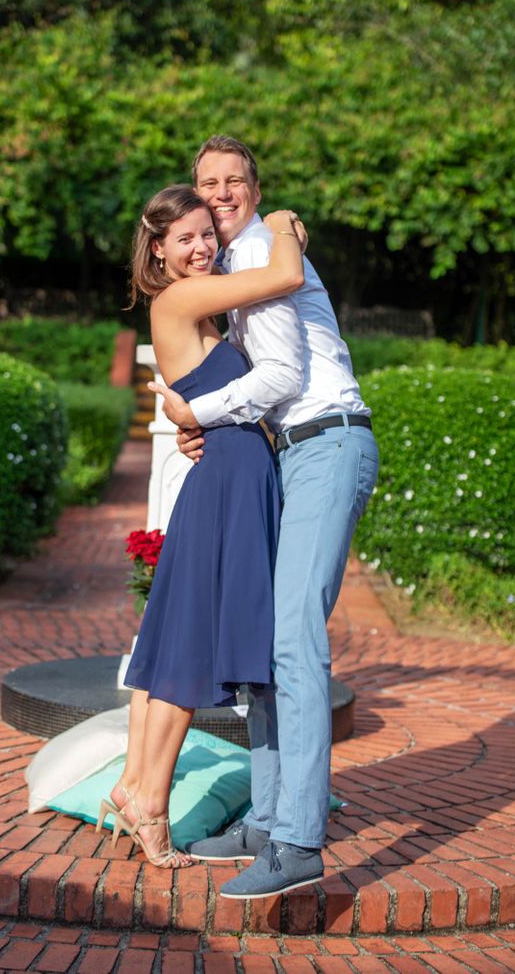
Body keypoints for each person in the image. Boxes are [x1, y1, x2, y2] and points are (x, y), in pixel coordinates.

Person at [149, 136, 379, 898]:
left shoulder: (262, 256)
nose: (220, 193)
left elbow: (281, 375)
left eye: (233, 181)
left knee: (292, 646)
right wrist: (203, 425)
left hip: (325, 443)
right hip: (291, 454)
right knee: (267, 653)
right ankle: (267, 817)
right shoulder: (237, 262)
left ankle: (299, 844)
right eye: (207, 184)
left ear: (254, 187)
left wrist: (195, 409)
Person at [97, 184, 307, 868]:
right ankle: (151, 806)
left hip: (227, 472)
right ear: (157, 249)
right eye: (183, 237)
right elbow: (284, 275)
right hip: (226, 481)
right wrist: (281, 223)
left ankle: (136, 788)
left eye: (204, 234)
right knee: (192, 644)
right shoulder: (179, 299)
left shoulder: (200, 305)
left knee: (175, 641)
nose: (200, 246)